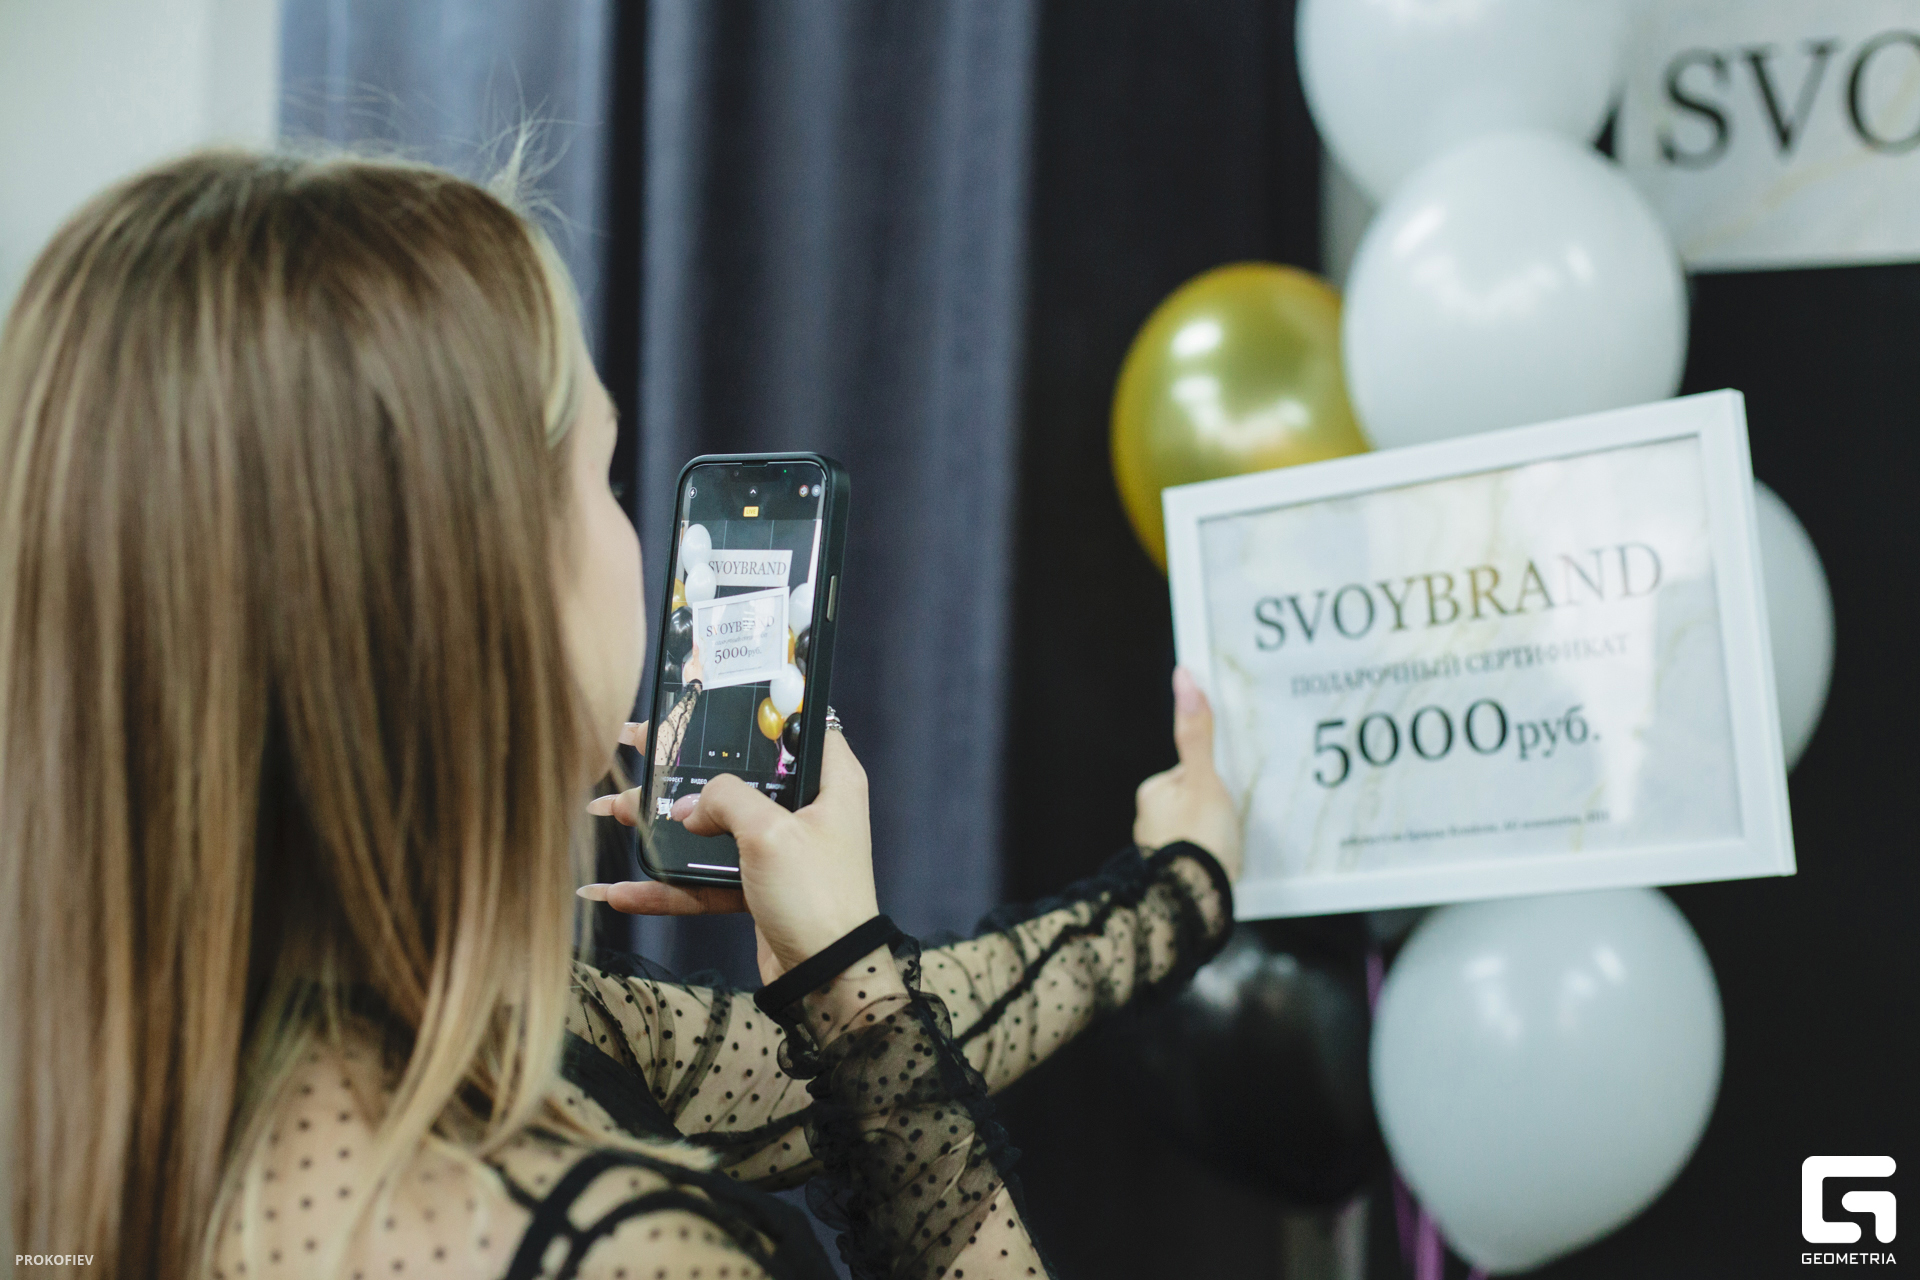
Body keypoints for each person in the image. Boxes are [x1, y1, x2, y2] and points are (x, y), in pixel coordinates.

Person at [0, 150, 1242, 1280]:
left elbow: (860, 1058)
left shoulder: (132, 1102)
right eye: (602, 472)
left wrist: (1170, 888)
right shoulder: (622, 1250)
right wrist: (857, 974)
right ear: (479, 585)